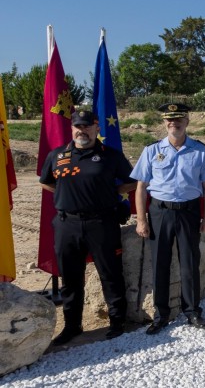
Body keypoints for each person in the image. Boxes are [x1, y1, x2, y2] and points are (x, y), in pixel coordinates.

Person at [39, 110, 136, 345]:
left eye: (87, 126)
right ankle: (73, 326)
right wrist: (69, 196)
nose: (82, 131)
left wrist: (110, 193)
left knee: (110, 274)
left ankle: (116, 322)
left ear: (97, 128)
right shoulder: (57, 155)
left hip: (101, 223)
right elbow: (47, 183)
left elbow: (133, 181)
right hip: (67, 224)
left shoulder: (110, 156)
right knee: (70, 278)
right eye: (78, 126)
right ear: (72, 129)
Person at [132, 103, 205, 334]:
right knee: (160, 263)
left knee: (190, 262)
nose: (174, 123)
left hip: (189, 212)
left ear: (187, 121)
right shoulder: (151, 150)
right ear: (164, 123)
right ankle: (161, 315)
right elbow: (141, 187)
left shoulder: (199, 150)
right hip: (160, 212)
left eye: (178, 119)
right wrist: (141, 219)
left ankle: (192, 311)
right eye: (169, 120)